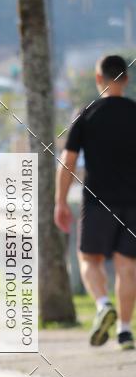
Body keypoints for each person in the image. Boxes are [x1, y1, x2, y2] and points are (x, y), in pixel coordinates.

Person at [55, 54, 136, 350]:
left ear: (98, 78)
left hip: (98, 201)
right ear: (126, 80)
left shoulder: (86, 113)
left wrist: (60, 202)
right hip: (133, 203)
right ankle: (125, 331)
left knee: (89, 259)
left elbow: (69, 162)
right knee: (128, 266)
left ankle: (103, 305)